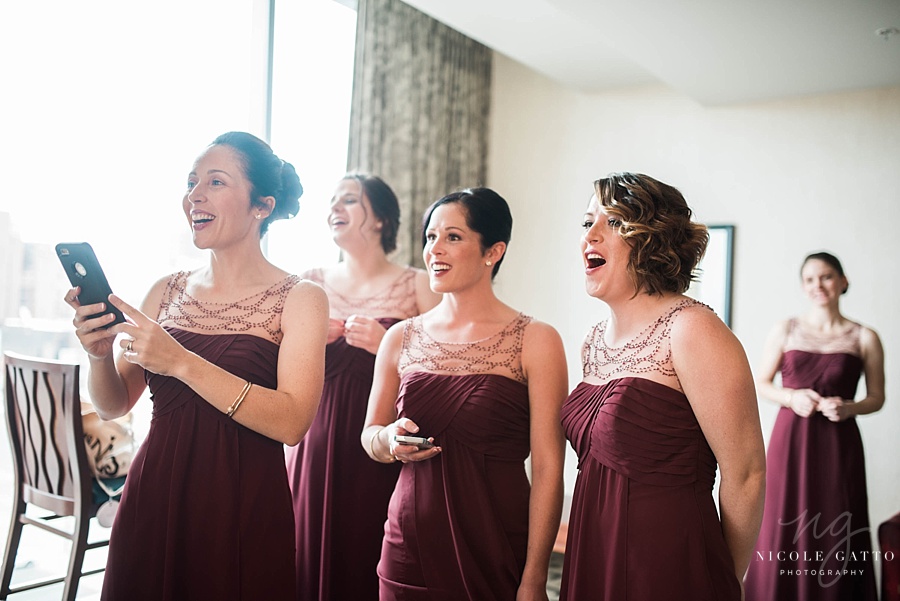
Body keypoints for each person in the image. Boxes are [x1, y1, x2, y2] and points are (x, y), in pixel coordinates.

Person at [64, 131, 328, 601]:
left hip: (243, 504)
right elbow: (112, 405)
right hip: (155, 492)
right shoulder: (164, 291)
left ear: (261, 206)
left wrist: (182, 363)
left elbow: (292, 423)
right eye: (192, 182)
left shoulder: (301, 299)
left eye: (216, 182)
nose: (194, 196)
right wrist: (98, 353)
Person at [559, 172, 766, 600]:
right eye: (586, 223)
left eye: (612, 222)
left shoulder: (693, 330)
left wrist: (723, 578)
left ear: (650, 238)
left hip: (668, 563)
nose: (590, 236)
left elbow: (746, 475)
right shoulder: (593, 340)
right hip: (593, 548)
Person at [361, 188, 567, 601]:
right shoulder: (400, 337)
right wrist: (388, 441)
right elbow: (370, 436)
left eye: (452, 237)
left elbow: (548, 468)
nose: (435, 249)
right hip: (408, 544)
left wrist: (534, 578)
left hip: (495, 544)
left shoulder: (536, 340)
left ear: (493, 251)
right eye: (430, 237)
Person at [285, 173, 440, 601]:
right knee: (308, 547)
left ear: (380, 219)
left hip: (382, 443)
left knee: (371, 546)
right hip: (315, 440)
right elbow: (280, 366)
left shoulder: (417, 284)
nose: (334, 208)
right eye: (332, 200)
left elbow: (446, 368)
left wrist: (386, 348)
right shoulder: (308, 283)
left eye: (349, 200)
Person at [743, 251, 884, 601]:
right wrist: (791, 398)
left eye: (825, 277)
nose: (817, 285)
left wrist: (850, 407)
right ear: (803, 287)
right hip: (790, 440)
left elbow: (877, 397)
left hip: (839, 443)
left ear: (843, 281)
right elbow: (759, 382)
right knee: (781, 518)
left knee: (838, 523)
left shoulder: (865, 337)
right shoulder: (786, 329)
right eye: (809, 279)